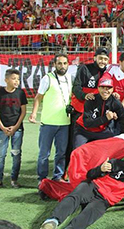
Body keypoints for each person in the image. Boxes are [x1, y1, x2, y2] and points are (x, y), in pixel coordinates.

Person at [39, 146, 124, 229]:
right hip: (92, 187)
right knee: (74, 196)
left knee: (87, 215)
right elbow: (90, 175)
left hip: (105, 200)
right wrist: (100, 169)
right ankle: (52, 222)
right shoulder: (115, 163)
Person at [29, 54, 72, 184]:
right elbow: (38, 97)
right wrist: (34, 114)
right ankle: (41, 179)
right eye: (59, 63)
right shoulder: (47, 78)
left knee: (61, 153)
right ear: (54, 64)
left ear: (68, 65)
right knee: (44, 154)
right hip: (48, 123)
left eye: (65, 63)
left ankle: (57, 177)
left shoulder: (70, 78)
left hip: (65, 123)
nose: (62, 66)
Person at [74, 77, 124, 148]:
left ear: (112, 89)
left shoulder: (115, 102)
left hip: (102, 132)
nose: (105, 91)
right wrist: (105, 118)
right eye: (102, 87)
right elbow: (87, 123)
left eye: (108, 88)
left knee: (109, 152)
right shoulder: (91, 100)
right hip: (84, 131)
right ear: (98, 88)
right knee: (78, 152)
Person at [0, 69, 27, 188]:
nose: (16, 81)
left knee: (16, 155)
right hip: (1, 130)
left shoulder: (21, 93)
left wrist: (15, 127)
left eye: (18, 79)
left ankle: (14, 179)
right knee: (1, 155)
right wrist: (3, 127)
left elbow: (23, 112)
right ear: (6, 80)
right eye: (13, 78)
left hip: (17, 130)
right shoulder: (0, 92)